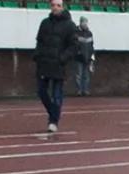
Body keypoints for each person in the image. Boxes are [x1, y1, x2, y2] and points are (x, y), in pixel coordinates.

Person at [32, 0, 77, 133]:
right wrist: (37, 56)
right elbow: (39, 42)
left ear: (63, 7)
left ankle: (53, 121)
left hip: (58, 65)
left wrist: (62, 58)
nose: (55, 8)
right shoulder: (44, 23)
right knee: (41, 91)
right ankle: (53, 113)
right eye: (53, 5)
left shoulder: (70, 25)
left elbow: (73, 46)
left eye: (58, 5)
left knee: (57, 94)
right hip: (44, 64)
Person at [74, 16, 95, 96]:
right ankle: (78, 91)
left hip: (87, 57)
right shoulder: (76, 32)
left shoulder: (89, 33)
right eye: (83, 22)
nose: (85, 23)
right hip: (79, 58)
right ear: (80, 22)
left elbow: (91, 45)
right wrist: (78, 53)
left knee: (86, 76)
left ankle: (85, 90)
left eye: (86, 22)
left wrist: (92, 56)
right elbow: (75, 44)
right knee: (78, 75)